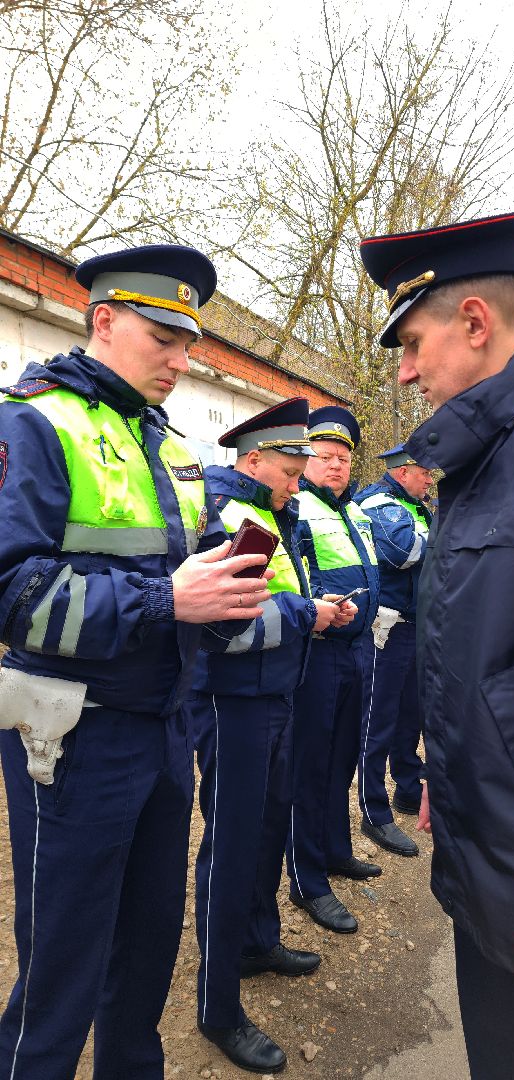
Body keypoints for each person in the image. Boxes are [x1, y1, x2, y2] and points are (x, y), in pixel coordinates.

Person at [0, 244, 273, 1080]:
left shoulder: (171, 445)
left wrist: (224, 594)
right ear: (105, 319)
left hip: (165, 728)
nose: (180, 361)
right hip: (73, 740)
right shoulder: (33, 423)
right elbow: (11, 594)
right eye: (163, 338)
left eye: (188, 344)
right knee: (61, 969)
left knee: (149, 946)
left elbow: (185, 571)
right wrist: (166, 602)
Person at [359, 211, 514, 1080]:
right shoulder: (480, 458)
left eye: (411, 343)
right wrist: (450, 773)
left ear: (473, 322)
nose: (405, 371)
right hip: (486, 873)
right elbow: (496, 665)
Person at [183, 398, 356, 1075]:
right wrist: (308, 614)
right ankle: (217, 1005)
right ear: (253, 459)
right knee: (232, 846)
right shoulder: (225, 514)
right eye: (289, 470)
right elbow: (224, 627)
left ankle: (257, 942)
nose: (297, 480)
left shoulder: (279, 514)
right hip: (234, 703)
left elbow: (281, 596)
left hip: (279, 694)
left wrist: (313, 610)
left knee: (268, 829)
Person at [287, 406, 381, 934]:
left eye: (343, 458)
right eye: (325, 457)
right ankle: (307, 879)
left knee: (343, 756)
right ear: (306, 460)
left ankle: (335, 849)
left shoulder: (356, 511)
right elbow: (295, 578)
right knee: (310, 764)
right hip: (318, 652)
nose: (336, 465)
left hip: (358, 650)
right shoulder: (296, 507)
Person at [354, 447, 433, 855]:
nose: (430, 480)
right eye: (424, 473)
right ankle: (374, 812)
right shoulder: (378, 503)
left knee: (410, 717)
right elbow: (402, 553)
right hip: (388, 628)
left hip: (416, 626)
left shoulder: (416, 508)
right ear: (403, 472)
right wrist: (444, 537)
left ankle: (407, 789)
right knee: (378, 721)